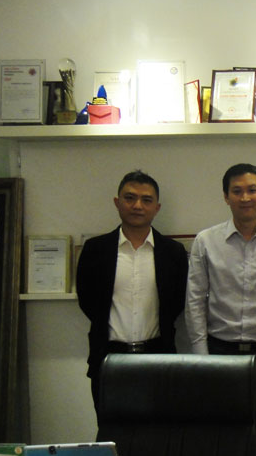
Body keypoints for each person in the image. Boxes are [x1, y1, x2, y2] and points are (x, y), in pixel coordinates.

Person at [185, 163, 256, 456]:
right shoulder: (205, 241)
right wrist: (201, 356)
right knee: (221, 434)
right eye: (237, 191)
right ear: (226, 197)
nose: (245, 197)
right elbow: (195, 301)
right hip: (220, 352)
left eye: (252, 190)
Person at [77, 170, 188, 414]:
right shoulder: (95, 250)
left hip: (159, 356)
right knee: (110, 429)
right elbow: (87, 300)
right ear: (117, 202)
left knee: (159, 429)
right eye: (130, 198)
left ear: (157, 208)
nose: (137, 205)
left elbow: (177, 302)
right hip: (108, 358)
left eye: (146, 200)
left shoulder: (173, 252)